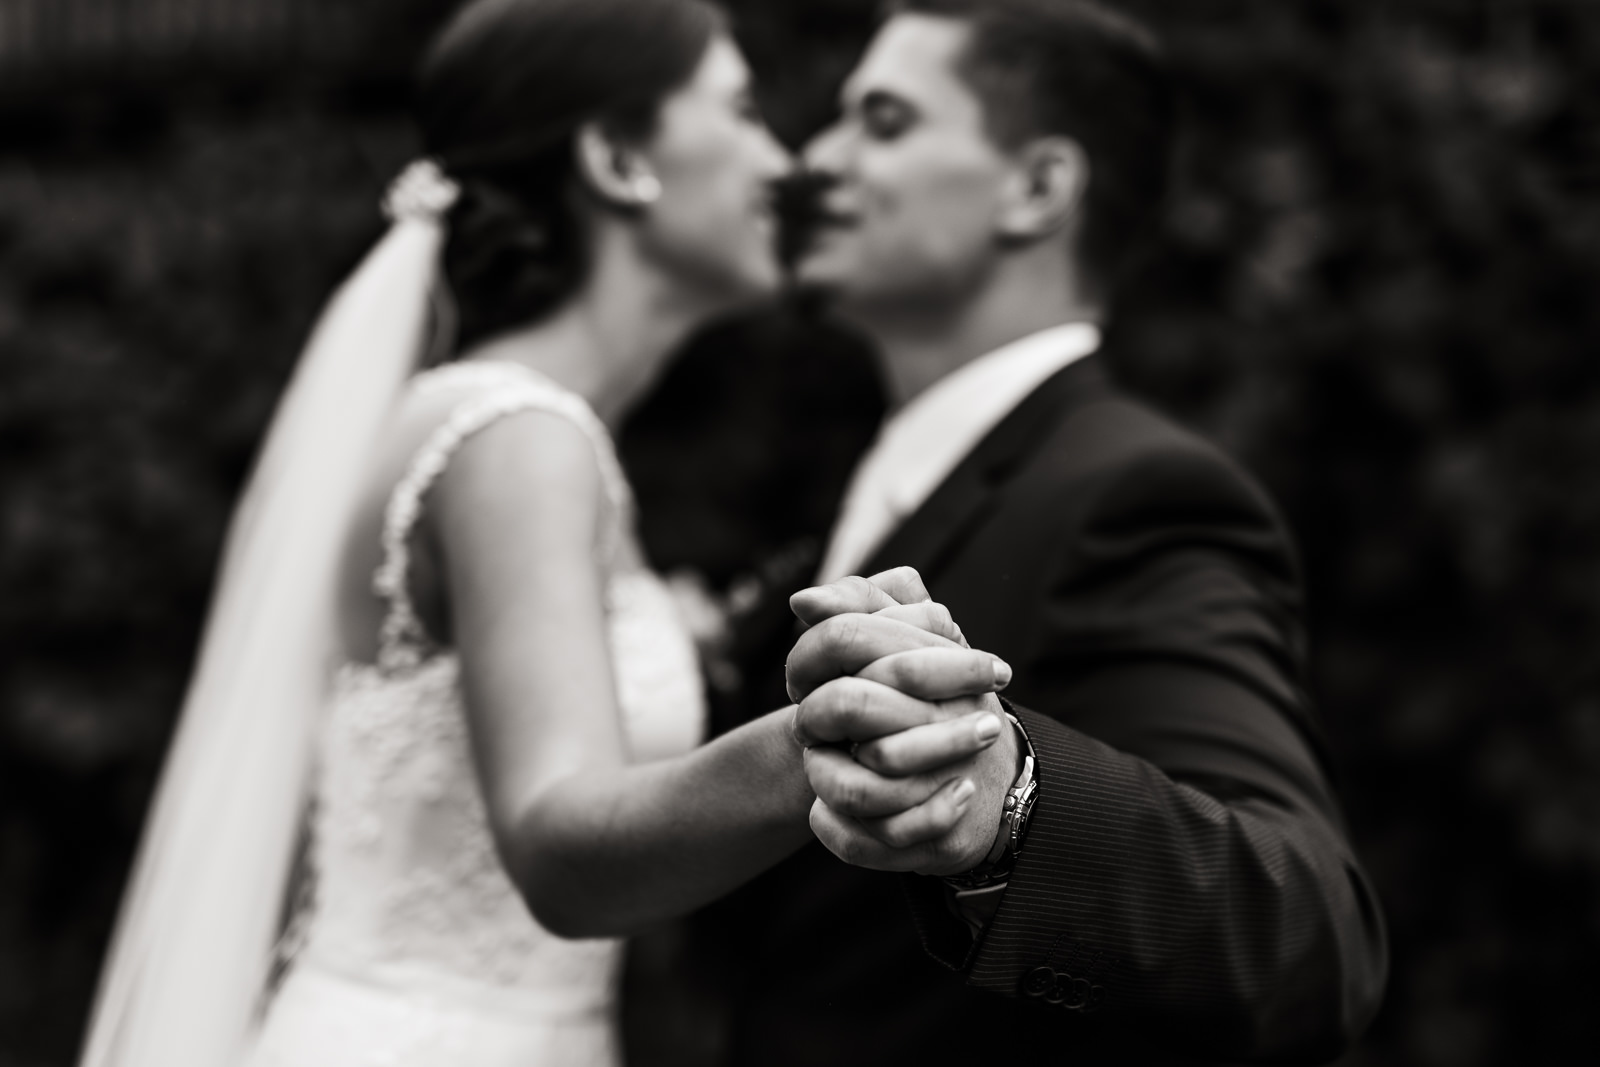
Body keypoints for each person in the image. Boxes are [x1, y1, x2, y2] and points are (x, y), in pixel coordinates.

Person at [76, 3, 1013, 1066]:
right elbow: (561, 842)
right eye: (742, 110)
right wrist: (828, 733)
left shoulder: (499, 427)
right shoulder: (518, 438)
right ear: (617, 158)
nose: (781, 161)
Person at [693, 2, 1390, 1063]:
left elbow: (1309, 938)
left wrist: (1004, 796)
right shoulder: (874, 493)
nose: (815, 160)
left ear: (1037, 187)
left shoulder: (1134, 491)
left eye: (881, 122)